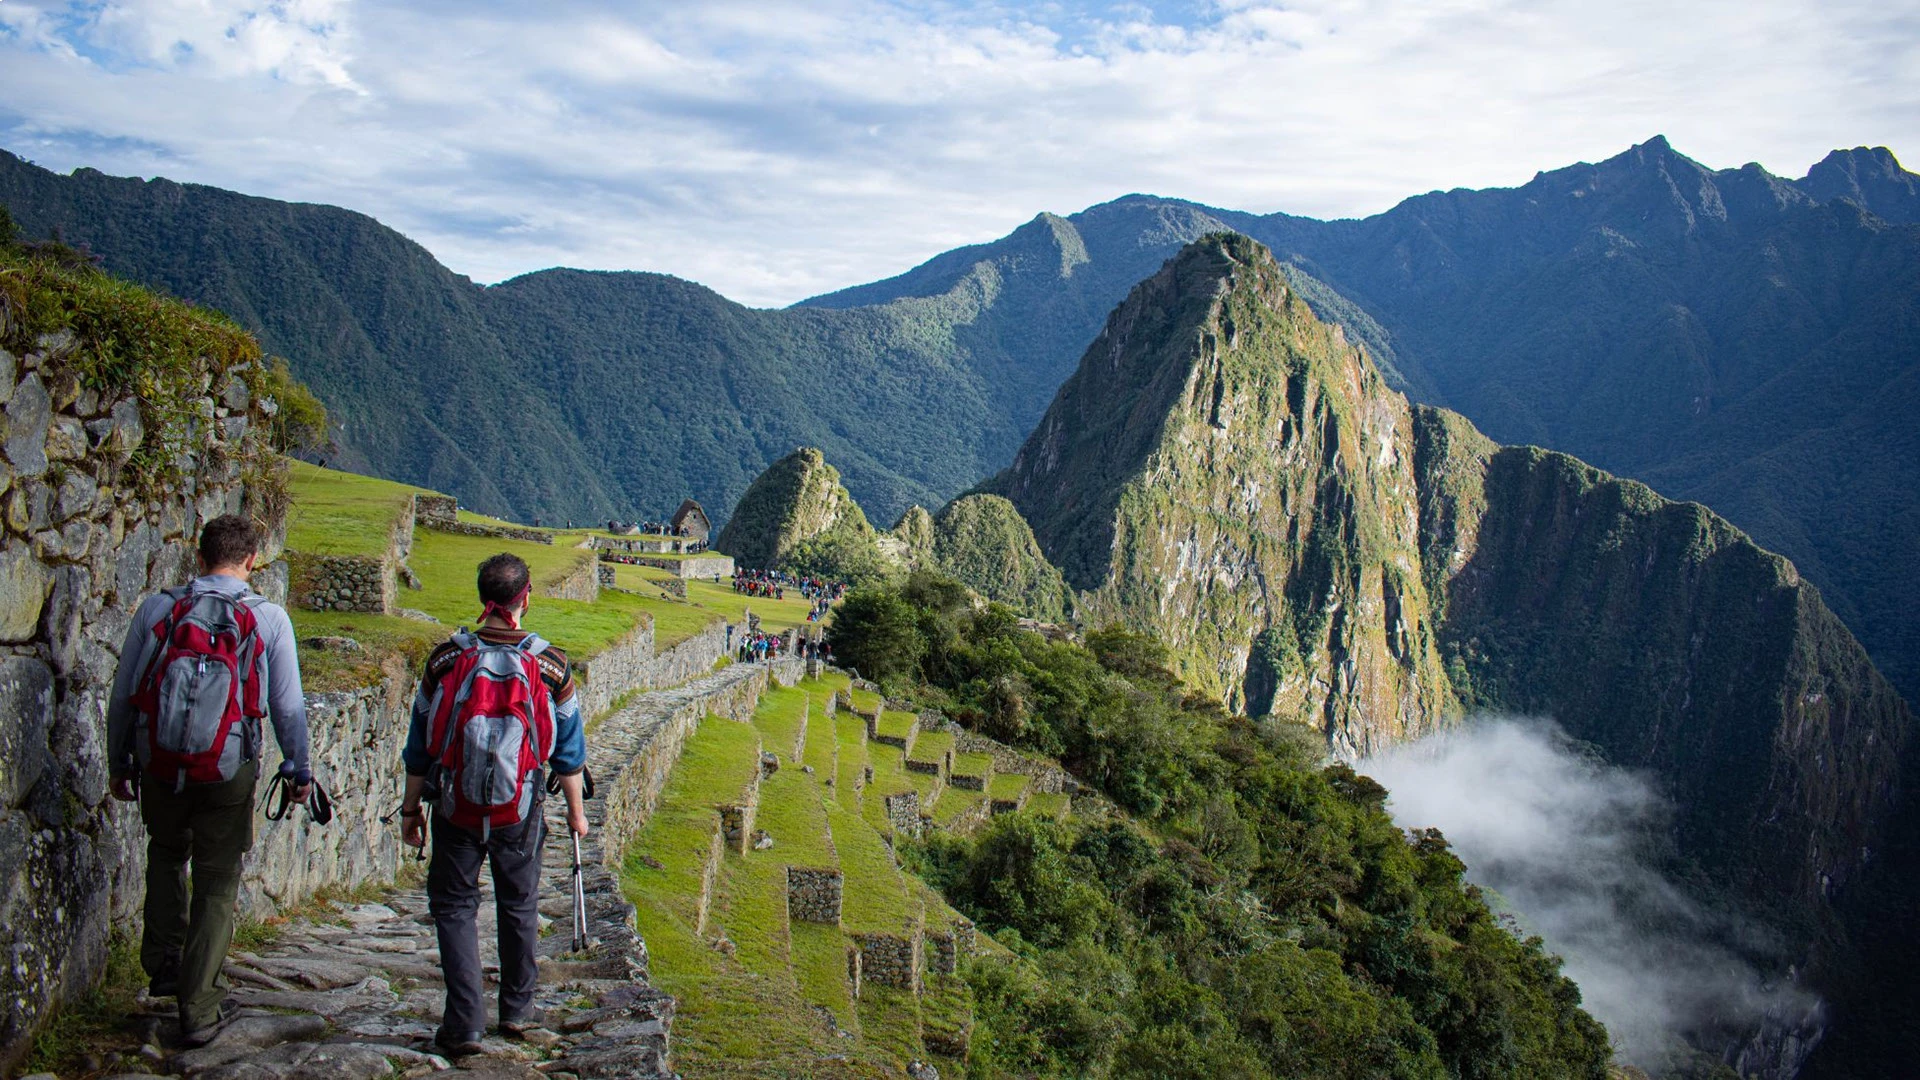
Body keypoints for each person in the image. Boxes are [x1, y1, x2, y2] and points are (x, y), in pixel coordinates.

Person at [106, 514, 312, 1047]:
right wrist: (298, 766)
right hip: (229, 767)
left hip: (159, 760)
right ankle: (198, 1005)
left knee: (166, 853)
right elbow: (286, 705)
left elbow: (125, 691)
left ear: (198, 558)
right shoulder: (267, 620)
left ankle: (165, 964)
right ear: (252, 561)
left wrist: (120, 760)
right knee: (218, 880)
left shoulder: (158, 609)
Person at [399, 554, 589, 1057]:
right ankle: (518, 1010)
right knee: (519, 902)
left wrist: (410, 807)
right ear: (525, 596)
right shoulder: (551, 666)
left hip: (455, 804)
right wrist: (576, 813)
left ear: (484, 598)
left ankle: (463, 1023)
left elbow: (421, 741)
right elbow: (568, 754)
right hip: (519, 805)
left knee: (455, 905)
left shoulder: (444, 660)